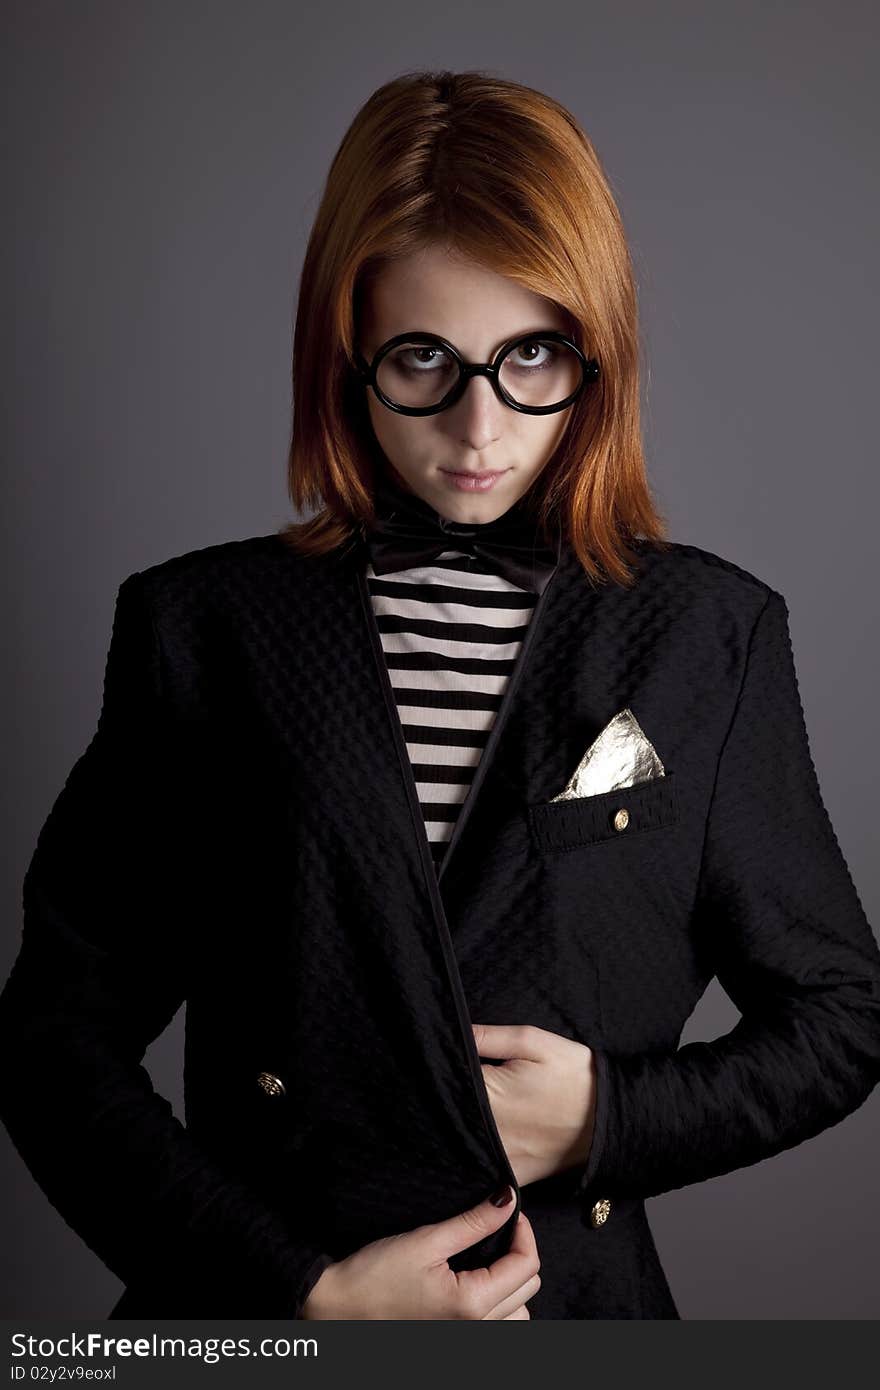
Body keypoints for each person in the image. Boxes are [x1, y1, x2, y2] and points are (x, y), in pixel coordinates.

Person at [2, 68, 879, 1322]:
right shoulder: (203, 626)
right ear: (346, 352)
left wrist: (608, 1118)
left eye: (531, 357)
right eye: (423, 359)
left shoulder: (707, 634)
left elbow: (841, 1018)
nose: (479, 426)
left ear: (598, 351)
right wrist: (302, 1294)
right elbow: (54, 1041)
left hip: (568, 1307)